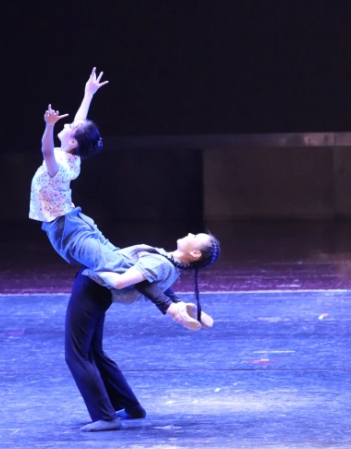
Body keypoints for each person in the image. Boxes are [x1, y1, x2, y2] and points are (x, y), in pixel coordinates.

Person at [28, 68, 202, 329]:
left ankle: (172, 307)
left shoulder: (60, 165)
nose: (68, 124)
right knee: (124, 262)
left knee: (120, 265)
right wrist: (88, 94)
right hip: (74, 221)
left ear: (73, 142)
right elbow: (79, 124)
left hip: (66, 229)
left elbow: (46, 150)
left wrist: (50, 125)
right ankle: (176, 304)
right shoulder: (72, 155)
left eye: (70, 128)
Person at [66, 232, 220, 432]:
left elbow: (123, 281)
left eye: (196, 236)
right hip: (95, 291)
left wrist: (96, 266)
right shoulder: (170, 263)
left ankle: (106, 417)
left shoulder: (161, 263)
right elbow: (150, 284)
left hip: (91, 289)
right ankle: (130, 406)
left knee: (76, 355)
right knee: (94, 352)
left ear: (195, 253)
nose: (190, 233)